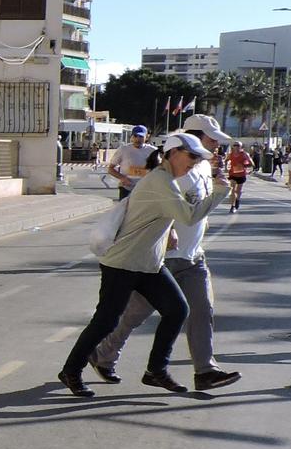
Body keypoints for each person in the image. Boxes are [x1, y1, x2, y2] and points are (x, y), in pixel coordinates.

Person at [58, 131, 231, 398]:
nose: (195, 162)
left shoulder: (168, 181)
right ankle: (71, 370)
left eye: (199, 158)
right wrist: (220, 192)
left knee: (176, 310)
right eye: (192, 156)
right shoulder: (161, 181)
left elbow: (171, 215)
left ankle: (155, 370)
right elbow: (188, 216)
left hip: (149, 263)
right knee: (105, 321)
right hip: (124, 263)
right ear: (173, 153)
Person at [112, 125, 153, 199]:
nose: (138, 139)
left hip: (144, 189)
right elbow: (110, 169)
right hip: (126, 188)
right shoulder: (123, 149)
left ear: (146, 137)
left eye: (141, 137)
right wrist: (123, 178)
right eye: (135, 136)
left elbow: (159, 168)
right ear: (131, 137)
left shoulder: (152, 150)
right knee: (125, 210)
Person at [224, 140, 253, 212]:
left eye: (238, 145)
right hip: (232, 174)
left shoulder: (244, 154)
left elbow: (251, 164)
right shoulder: (230, 154)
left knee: (238, 191)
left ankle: (237, 200)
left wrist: (243, 165)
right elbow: (226, 161)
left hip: (241, 174)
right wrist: (226, 168)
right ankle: (232, 206)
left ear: (241, 147)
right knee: (232, 190)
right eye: (234, 145)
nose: (236, 147)